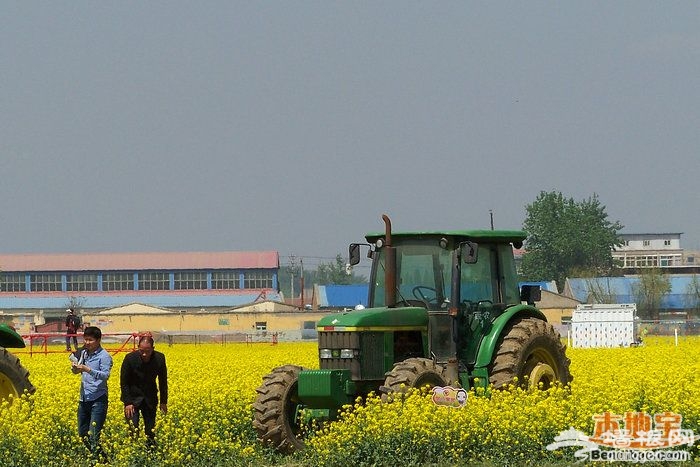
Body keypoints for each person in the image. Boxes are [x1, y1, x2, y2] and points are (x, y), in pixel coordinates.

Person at [71, 326, 113, 460]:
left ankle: (100, 461)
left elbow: (105, 376)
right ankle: (99, 458)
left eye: (90, 340)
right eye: (85, 339)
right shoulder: (84, 353)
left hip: (98, 399)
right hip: (83, 399)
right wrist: (75, 369)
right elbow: (78, 371)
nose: (87, 342)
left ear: (98, 340)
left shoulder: (104, 356)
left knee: (94, 435)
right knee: (83, 434)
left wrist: (87, 369)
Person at [120, 334, 168, 446]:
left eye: (148, 351)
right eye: (142, 351)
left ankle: (150, 451)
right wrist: (128, 402)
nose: (145, 354)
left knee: (150, 430)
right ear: (138, 347)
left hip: (150, 398)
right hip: (132, 398)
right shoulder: (130, 358)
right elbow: (124, 382)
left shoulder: (159, 358)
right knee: (133, 428)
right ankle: (133, 450)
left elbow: (163, 381)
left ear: (153, 348)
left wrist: (163, 402)